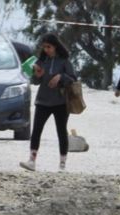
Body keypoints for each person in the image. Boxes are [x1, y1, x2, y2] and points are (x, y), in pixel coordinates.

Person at [19, 33, 76, 172]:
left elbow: (73, 79)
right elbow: (36, 81)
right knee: (36, 131)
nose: (46, 50)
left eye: (49, 47)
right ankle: (32, 161)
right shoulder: (41, 61)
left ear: (55, 46)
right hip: (43, 101)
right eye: (44, 47)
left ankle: (62, 164)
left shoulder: (64, 61)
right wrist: (37, 75)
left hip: (61, 102)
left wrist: (60, 77)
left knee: (61, 131)